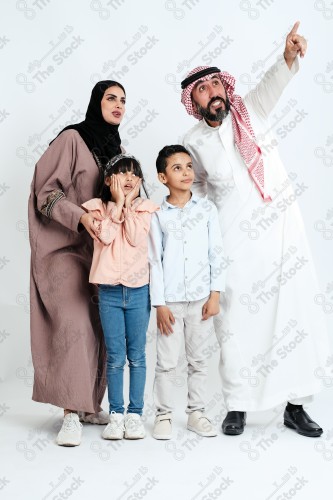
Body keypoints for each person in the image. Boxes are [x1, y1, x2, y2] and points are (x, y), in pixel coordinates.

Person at [180, 22, 330, 437]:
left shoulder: (252, 111)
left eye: (217, 84)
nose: (213, 92)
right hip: (236, 245)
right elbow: (191, 192)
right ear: (192, 102)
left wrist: (287, 56)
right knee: (237, 325)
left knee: (293, 319)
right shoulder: (192, 142)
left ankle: (295, 406)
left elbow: (273, 81)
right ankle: (238, 406)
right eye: (203, 89)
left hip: (284, 237)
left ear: (226, 89)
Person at [28, 80, 127, 446]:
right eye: (111, 98)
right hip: (64, 249)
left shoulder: (116, 150)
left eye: (123, 101)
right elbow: (45, 193)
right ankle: (69, 412)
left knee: (101, 325)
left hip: (101, 254)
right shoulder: (72, 139)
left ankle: (88, 405)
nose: (118, 105)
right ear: (95, 102)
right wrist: (81, 218)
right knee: (75, 323)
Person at [149, 145, 225, 440]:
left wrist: (215, 293)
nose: (185, 172)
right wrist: (159, 304)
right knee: (166, 363)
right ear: (162, 177)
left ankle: (197, 413)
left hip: (201, 300)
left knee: (199, 361)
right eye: (176, 167)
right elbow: (154, 261)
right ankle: (164, 415)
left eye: (188, 166)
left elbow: (216, 253)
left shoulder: (206, 209)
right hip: (170, 301)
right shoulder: (158, 215)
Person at [82, 153, 158, 440]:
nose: (128, 179)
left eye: (133, 174)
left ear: (140, 181)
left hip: (139, 292)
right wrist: (117, 205)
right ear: (108, 181)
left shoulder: (145, 209)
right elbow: (106, 236)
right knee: (115, 357)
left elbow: (137, 238)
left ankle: (135, 414)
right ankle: (116, 414)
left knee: (137, 356)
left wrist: (128, 205)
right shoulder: (97, 209)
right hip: (110, 293)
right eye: (121, 173)